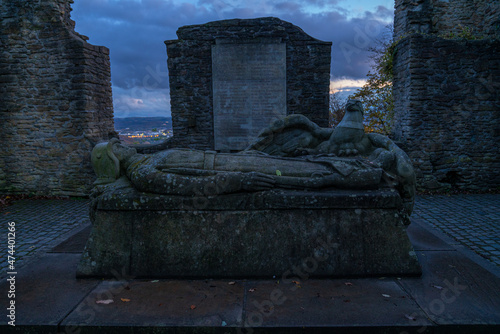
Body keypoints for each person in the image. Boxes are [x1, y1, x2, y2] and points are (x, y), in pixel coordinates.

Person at [91, 138, 384, 197]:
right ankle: (366, 175)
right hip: (233, 168)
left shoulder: (145, 161)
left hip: (233, 159)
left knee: (296, 163)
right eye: (117, 147)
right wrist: (240, 180)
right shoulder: (142, 173)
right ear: (114, 159)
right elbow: (195, 187)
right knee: (305, 174)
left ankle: (358, 165)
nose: (123, 144)